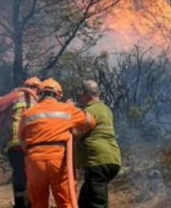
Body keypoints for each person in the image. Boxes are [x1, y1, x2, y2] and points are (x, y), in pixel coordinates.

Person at [18, 78, 94, 208]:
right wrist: (74, 126)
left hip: (34, 161)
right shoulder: (67, 109)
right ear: (59, 95)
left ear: (40, 94)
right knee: (66, 201)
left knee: (38, 203)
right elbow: (90, 122)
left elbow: (22, 140)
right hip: (59, 159)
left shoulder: (27, 114)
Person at [0, 76, 41, 208]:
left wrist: (1, 99)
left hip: (16, 143)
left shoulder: (16, 94)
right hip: (35, 144)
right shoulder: (41, 99)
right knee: (33, 176)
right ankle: (32, 204)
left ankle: (20, 204)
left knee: (19, 173)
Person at [76, 80, 122, 208]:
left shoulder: (90, 111)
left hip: (98, 162)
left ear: (85, 94)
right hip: (113, 159)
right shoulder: (106, 110)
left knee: (97, 203)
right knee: (84, 201)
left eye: (81, 95)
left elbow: (77, 133)